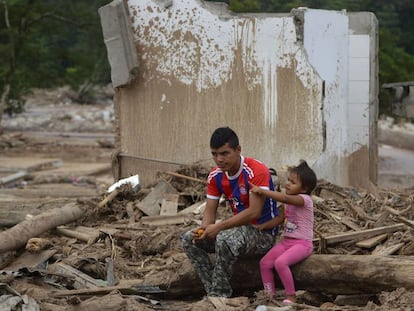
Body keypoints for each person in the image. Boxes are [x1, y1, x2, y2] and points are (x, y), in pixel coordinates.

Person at [181, 126, 283, 298]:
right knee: (189, 239)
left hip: (263, 234)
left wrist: (218, 228)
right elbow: (209, 211)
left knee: (224, 238)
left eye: (224, 153)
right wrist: (204, 229)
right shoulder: (215, 176)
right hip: (238, 231)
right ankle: (211, 290)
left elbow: (254, 213)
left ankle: (221, 295)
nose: (219, 159)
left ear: (238, 150)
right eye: (214, 154)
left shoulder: (256, 170)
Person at [249, 160, 317, 305]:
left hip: (303, 244)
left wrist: (263, 191)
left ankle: (291, 296)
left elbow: (285, 198)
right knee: (265, 263)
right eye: (288, 180)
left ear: (304, 188)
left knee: (280, 262)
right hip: (287, 242)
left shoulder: (304, 199)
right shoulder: (290, 201)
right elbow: (280, 218)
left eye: (292, 182)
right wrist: (263, 226)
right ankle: (269, 295)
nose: (287, 184)